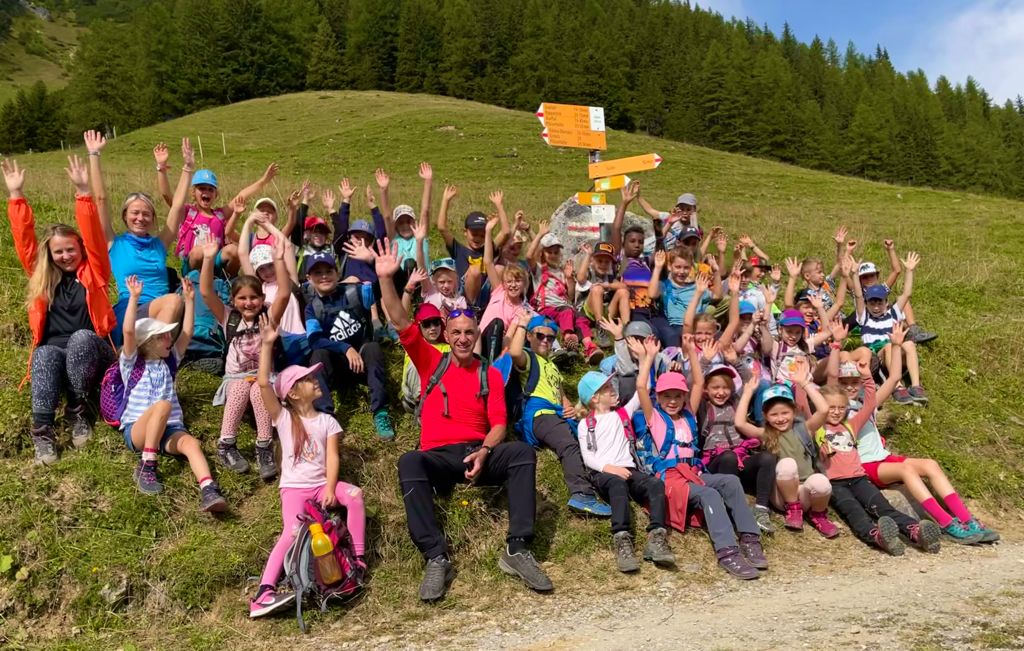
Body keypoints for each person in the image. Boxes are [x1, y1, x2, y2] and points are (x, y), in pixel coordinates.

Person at [376, 238, 552, 601]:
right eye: (455, 332)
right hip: (438, 455)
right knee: (409, 460)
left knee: (520, 453)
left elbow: (500, 424)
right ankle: (436, 556)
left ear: (476, 336)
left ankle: (517, 549)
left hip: (477, 452)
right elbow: (397, 318)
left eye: (469, 333)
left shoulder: (489, 373)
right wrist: (384, 279)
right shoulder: (430, 361)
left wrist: (486, 451)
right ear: (446, 333)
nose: (462, 338)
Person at [827, 326, 996, 544]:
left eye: (854, 382)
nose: (849, 387)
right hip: (864, 465)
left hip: (883, 458)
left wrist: (896, 346)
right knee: (906, 469)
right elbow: (831, 378)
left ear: (861, 382)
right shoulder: (834, 409)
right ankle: (946, 523)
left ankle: (967, 519)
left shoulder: (867, 403)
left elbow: (894, 376)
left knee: (930, 464)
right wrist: (836, 345)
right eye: (844, 383)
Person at [249, 315, 367, 618]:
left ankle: (358, 559)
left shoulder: (328, 420)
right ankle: (264, 591)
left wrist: (330, 487)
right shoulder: (285, 418)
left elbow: (332, 458)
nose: (316, 380)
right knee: (290, 532)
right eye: (308, 379)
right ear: (292, 393)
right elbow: (263, 383)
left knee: (353, 496)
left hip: (319, 485)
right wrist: (267, 344)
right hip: (294, 490)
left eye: (314, 377)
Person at [5, 153, 116, 463]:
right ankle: (43, 432)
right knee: (43, 352)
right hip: (56, 355)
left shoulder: (95, 273)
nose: (66, 256)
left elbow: (94, 236)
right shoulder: (43, 279)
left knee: (80, 337)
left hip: (95, 353)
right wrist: (16, 196)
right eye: (59, 251)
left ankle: (79, 409)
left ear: (80, 249)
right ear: (49, 255)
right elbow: (24, 242)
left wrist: (83, 193)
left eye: (71, 249)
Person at [631, 337, 767, 579]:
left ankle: (749, 537)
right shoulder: (656, 418)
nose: (672, 401)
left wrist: (695, 355)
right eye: (666, 396)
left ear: (684, 398)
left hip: (693, 473)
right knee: (710, 494)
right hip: (670, 478)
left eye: (677, 396)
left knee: (730, 481)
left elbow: (698, 383)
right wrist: (649, 358)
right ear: (659, 398)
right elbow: (642, 387)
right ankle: (727, 552)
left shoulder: (689, 415)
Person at [119, 275, 226, 511]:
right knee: (163, 405)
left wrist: (189, 301)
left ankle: (208, 489)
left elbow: (186, 333)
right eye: (163, 336)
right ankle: (147, 464)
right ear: (146, 342)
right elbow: (128, 331)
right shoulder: (132, 363)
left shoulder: (170, 362)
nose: (170, 338)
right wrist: (133, 298)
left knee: (191, 444)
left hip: (170, 428)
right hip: (138, 428)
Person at [815, 372, 942, 556]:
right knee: (855, 513)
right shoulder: (816, 427)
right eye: (831, 407)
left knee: (883, 508)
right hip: (835, 484)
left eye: (841, 408)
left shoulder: (851, 425)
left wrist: (867, 378)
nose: (836, 411)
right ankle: (878, 537)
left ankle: (916, 531)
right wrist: (803, 383)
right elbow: (803, 406)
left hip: (859, 480)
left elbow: (869, 405)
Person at [199, 239, 290, 479]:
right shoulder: (228, 317)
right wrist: (209, 258)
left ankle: (264, 447)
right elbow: (206, 292)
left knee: (259, 390)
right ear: (233, 300)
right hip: (236, 377)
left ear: (262, 299)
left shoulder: (269, 317)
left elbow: (284, 292)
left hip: (263, 377)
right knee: (240, 387)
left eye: (253, 298)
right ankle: (226, 444)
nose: (248, 303)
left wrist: (279, 260)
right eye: (242, 298)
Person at [507, 311, 611, 517]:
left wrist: (570, 408)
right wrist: (522, 324)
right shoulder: (528, 357)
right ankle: (581, 494)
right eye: (539, 336)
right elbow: (514, 352)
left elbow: (561, 396)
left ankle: (598, 486)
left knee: (583, 444)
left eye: (550, 337)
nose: (545, 340)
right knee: (568, 444)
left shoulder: (552, 366)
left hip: (555, 414)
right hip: (540, 414)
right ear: (529, 336)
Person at [576, 369, 676, 573]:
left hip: (630, 470)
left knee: (655, 483)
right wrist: (610, 469)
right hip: (605, 474)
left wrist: (646, 359)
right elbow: (588, 457)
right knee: (617, 483)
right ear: (594, 398)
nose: (613, 390)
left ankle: (657, 536)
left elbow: (643, 390)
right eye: (606, 388)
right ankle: (622, 537)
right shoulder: (585, 425)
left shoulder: (622, 414)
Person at [734, 361, 840, 538]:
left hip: (805, 491)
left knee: (821, 482)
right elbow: (740, 423)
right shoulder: (765, 433)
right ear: (766, 417)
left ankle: (818, 515)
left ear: (794, 411)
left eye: (785, 413)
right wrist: (747, 393)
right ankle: (793, 509)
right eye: (774, 415)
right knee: (787, 464)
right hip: (781, 495)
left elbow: (823, 410)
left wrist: (804, 383)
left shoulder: (804, 428)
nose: (780, 418)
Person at [101, 136, 188, 346]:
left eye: (146, 214)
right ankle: (152, 358)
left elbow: (177, 207)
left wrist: (187, 168)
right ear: (124, 216)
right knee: (175, 300)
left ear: (152, 219)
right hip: (129, 310)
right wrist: (94, 155)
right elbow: (100, 200)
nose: (140, 218)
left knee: (178, 303)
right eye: (135, 213)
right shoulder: (115, 243)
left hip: (161, 314)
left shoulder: (160, 244)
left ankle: (150, 355)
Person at [302, 249, 394, 439]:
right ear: (309, 278)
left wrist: (376, 267)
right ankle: (325, 415)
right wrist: (345, 348)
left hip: (363, 363)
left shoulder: (356, 291)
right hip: (336, 368)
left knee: (373, 347)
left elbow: (383, 293)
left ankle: (380, 412)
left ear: (337, 273)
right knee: (318, 354)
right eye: (317, 273)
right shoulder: (312, 308)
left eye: (329, 271)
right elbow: (314, 339)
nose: (324, 276)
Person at [852, 251, 926, 404]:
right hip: (878, 356)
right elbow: (859, 295)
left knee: (909, 343)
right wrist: (854, 274)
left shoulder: (893, 313)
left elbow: (906, 294)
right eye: (872, 303)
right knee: (888, 346)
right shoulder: (864, 317)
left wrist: (910, 271)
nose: (876, 307)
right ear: (866, 304)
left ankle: (916, 386)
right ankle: (897, 386)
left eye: (879, 303)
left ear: (886, 303)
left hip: (896, 353)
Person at [526, 223, 602, 363]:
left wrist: (568, 278)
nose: (553, 255)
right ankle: (568, 337)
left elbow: (571, 296)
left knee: (580, 319)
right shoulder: (538, 269)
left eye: (556, 252)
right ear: (542, 253)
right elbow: (529, 255)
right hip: (546, 309)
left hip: (565, 309)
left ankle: (589, 347)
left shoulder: (561, 271)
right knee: (567, 311)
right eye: (550, 252)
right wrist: (539, 234)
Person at [436, 184, 510, 306]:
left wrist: (499, 206)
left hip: (486, 293)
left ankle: (496, 304)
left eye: (482, 235)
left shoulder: (488, 248)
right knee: (475, 269)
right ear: (465, 232)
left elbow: (506, 232)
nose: (477, 238)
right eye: (474, 234)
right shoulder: (458, 249)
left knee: (499, 269)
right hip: (465, 297)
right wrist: (446, 200)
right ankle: (471, 309)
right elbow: (442, 228)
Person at [648, 248, 720, 347]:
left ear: (691, 268)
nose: (682, 271)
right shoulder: (666, 285)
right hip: (678, 326)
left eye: (686, 267)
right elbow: (652, 294)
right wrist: (658, 268)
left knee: (719, 337)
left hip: (699, 327)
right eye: (678, 267)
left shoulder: (696, 286)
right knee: (677, 337)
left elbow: (717, 296)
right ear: (670, 266)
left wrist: (716, 272)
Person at [400, 303, 450, 413]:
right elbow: (399, 318)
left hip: (439, 394)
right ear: (419, 326)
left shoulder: (448, 347)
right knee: (417, 362)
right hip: (414, 397)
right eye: (427, 324)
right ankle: (421, 406)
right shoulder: (415, 344)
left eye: (436, 322)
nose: (433, 328)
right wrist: (408, 291)